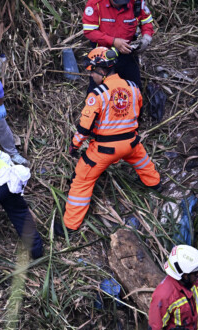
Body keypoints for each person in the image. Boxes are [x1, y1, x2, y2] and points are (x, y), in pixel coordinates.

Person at [55, 47, 160, 236]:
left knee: (81, 180)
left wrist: (75, 145)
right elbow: (138, 112)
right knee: (142, 161)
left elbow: (84, 128)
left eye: (92, 71)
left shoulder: (97, 94)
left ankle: (69, 226)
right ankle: (154, 184)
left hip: (104, 149)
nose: (91, 76)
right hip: (131, 143)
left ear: (102, 70)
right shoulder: (133, 87)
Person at [83, 0, 155, 92]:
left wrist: (146, 38)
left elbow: (146, 22)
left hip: (127, 52)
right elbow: (90, 32)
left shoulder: (137, 3)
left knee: (134, 88)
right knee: (97, 91)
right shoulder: (95, 4)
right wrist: (113, 41)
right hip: (103, 56)